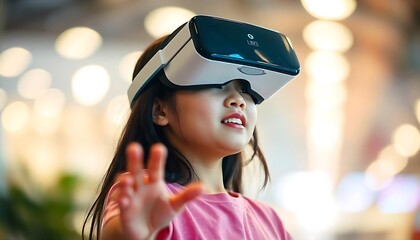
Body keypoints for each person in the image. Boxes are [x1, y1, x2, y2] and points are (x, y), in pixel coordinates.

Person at [83, 16, 296, 240]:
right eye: (217, 84)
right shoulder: (150, 199)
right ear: (159, 110)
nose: (238, 100)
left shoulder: (270, 221)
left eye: (245, 89)